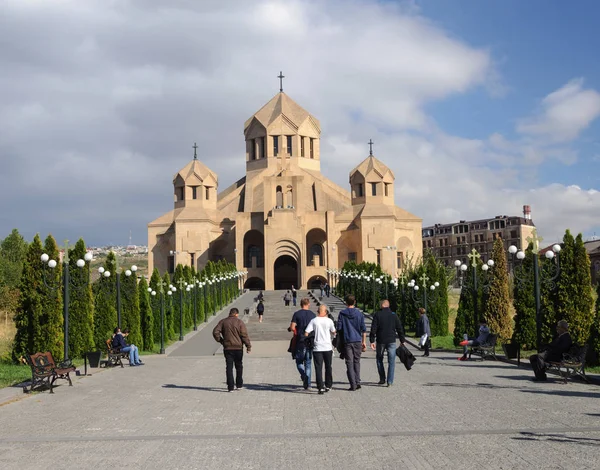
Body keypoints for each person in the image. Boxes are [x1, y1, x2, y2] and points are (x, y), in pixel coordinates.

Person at [212, 308, 252, 392]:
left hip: (228, 348)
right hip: (238, 348)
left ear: (230, 313)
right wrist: (248, 346)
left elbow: (215, 332)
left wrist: (221, 341)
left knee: (229, 367)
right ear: (236, 314)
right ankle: (239, 385)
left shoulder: (223, 322)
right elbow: (244, 335)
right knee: (239, 366)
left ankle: (230, 387)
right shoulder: (240, 322)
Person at [369, 299, 405, 386]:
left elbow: (373, 328)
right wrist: (402, 340)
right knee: (391, 361)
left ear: (382, 305)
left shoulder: (377, 314)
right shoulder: (394, 315)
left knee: (379, 359)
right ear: (388, 305)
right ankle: (390, 381)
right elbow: (399, 328)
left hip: (381, 340)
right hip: (391, 341)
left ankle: (382, 379)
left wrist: (372, 340)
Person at [337, 295, 367, 391]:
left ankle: (353, 384)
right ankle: (357, 382)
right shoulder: (359, 314)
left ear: (346, 302)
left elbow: (339, 328)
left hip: (347, 340)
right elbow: (363, 329)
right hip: (357, 340)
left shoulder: (342, 313)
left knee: (349, 362)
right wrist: (364, 342)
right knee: (356, 361)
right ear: (354, 302)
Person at [305, 305, 336, 394]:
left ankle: (320, 387)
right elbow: (334, 331)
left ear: (318, 311)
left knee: (318, 368)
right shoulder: (329, 321)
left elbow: (306, 332)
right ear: (325, 312)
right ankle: (328, 385)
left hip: (317, 347)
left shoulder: (314, 321)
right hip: (327, 347)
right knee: (328, 366)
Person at [289, 298, 316, 389]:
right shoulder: (312, 315)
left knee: (299, 361)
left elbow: (292, 327)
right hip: (310, 341)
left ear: (301, 304)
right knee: (308, 363)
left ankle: (304, 375)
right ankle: (308, 384)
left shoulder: (297, 314)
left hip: (300, 340)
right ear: (308, 304)